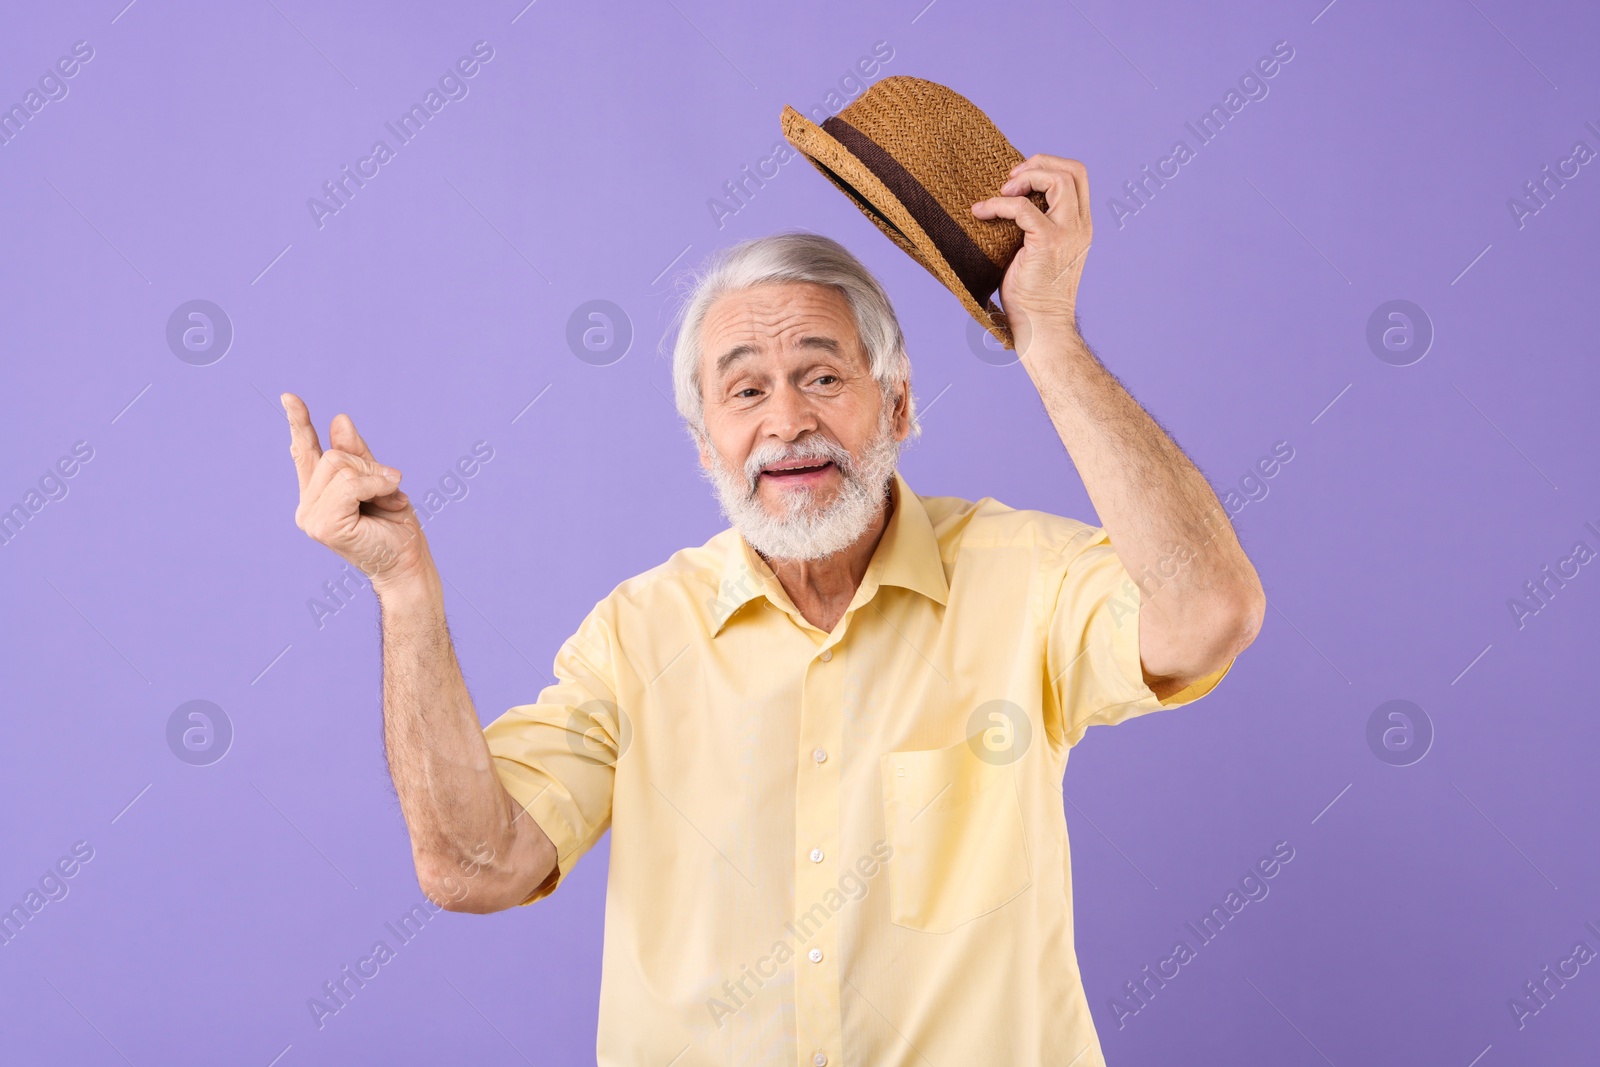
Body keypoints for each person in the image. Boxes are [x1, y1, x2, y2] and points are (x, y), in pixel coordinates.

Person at [281, 155, 1265, 1066]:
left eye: (823, 376)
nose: (785, 419)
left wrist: (1042, 332)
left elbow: (1205, 609)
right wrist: (404, 587)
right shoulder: (639, 634)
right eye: (744, 388)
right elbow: (473, 865)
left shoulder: (1021, 579)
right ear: (705, 442)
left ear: (899, 405)